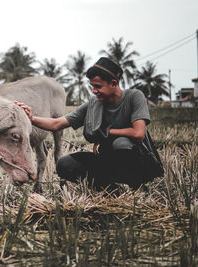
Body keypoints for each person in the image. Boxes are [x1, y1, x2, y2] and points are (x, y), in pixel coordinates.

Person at [16, 57, 161, 190]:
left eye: (98, 86)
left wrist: (104, 132)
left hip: (137, 160)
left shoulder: (134, 97)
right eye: (92, 86)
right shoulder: (94, 104)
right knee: (64, 165)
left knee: (121, 143)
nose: (94, 91)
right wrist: (31, 118)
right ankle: (110, 188)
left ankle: (135, 184)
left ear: (113, 83)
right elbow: (56, 124)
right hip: (107, 159)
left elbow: (138, 133)